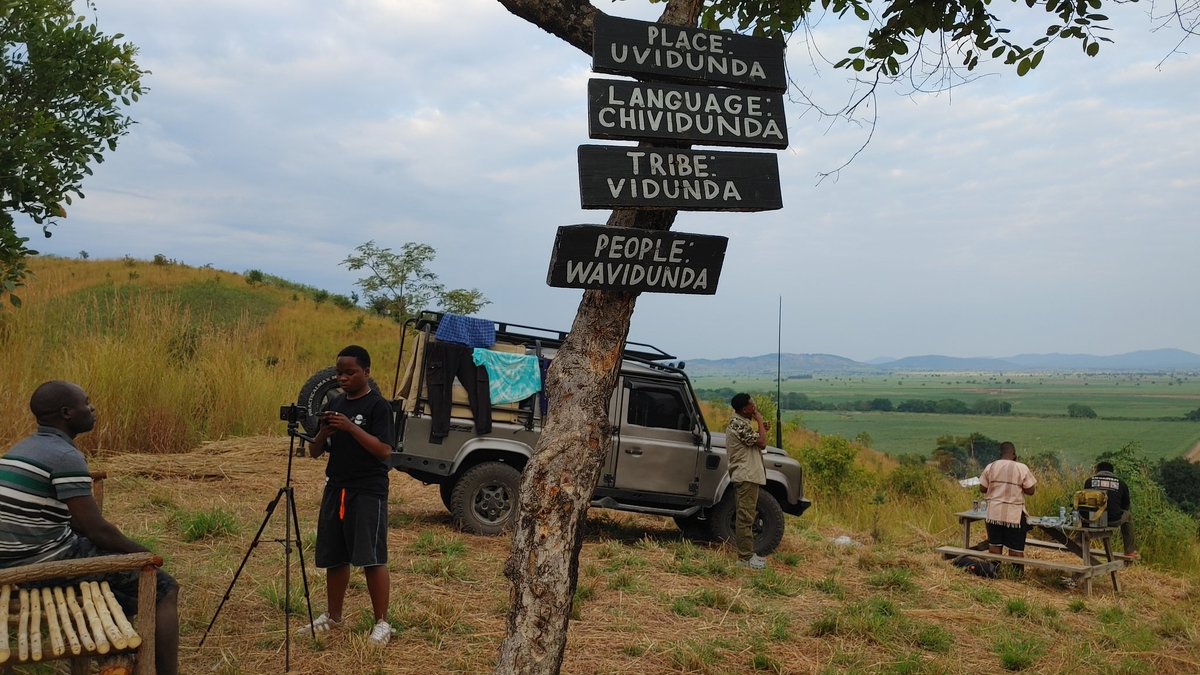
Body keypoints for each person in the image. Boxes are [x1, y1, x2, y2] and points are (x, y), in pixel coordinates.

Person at [0, 381, 179, 675]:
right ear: (67, 413)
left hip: (11, 559)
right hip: (37, 566)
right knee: (165, 587)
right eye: (86, 402)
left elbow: (67, 519)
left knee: (114, 568)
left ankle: (120, 647)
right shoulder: (64, 456)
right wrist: (144, 555)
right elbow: (95, 530)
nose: (92, 409)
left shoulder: (24, 447)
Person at [301, 345, 397, 646]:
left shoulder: (378, 407)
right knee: (335, 555)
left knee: (372, 557)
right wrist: (323, 434)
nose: (342, 378)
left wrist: (351, 428)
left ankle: (382, 622)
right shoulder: (336, 403)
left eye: (350, 373)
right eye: (339, 373)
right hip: (336, 486)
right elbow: (314, 452)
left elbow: (384, 450)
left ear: (366, 372)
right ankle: (333, 616)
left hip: (367, 490)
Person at [724, 393, 769, 570]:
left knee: (747, 516)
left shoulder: (741, 423)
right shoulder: (738, 424)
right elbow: (762, 443)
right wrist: (760, 420)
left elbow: (754, 440)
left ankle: (748, 555)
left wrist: (761, 427)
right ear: (744, 409)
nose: (754, 407)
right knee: (745, 518)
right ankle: (745, 558)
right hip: (746, 475)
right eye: (752, 405)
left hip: (747, 475)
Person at [978, 441, 1037, 560]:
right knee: (1016, 549)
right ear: (1014, 454)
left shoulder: (991, 466)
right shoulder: (1021, 467)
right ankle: (1015, 571)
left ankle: (994, 569)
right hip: (1014, 516)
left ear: (1000, 454)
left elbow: (982, 488)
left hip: (994, 514)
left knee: (994, 547)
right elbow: (1031, 490)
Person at [1084, 460, 1138, 559]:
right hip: (1113, 520)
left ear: (1097, 470)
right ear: (1112, 472)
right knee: (1128, 515)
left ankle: (1078, 542)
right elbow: (1126, 506)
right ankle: (1129, 551)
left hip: (1093, 519)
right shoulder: (1121, 483)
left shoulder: (1089, 481)